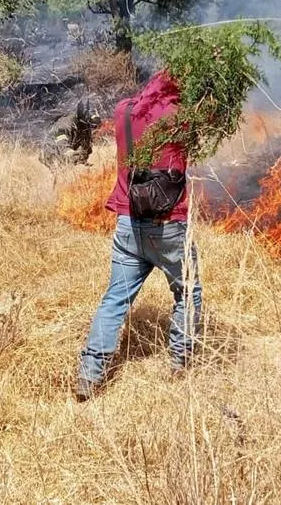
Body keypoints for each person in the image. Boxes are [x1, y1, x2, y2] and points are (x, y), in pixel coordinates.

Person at [75, 71, 201, 402]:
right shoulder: (181, 117)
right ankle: (180, 365)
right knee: (188, 294)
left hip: (128, 222)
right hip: (168, 225)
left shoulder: (123, 111)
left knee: (115, 299)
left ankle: (89, 374)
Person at [40, 96, 103, 168]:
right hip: (51, 155)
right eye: (91, 125)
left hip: (67, 156)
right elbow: (63, 148)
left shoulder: (85, 127)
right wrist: (75, 158)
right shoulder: (64, 125)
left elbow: (85, 150)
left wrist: (83, 162)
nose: (92, 129)